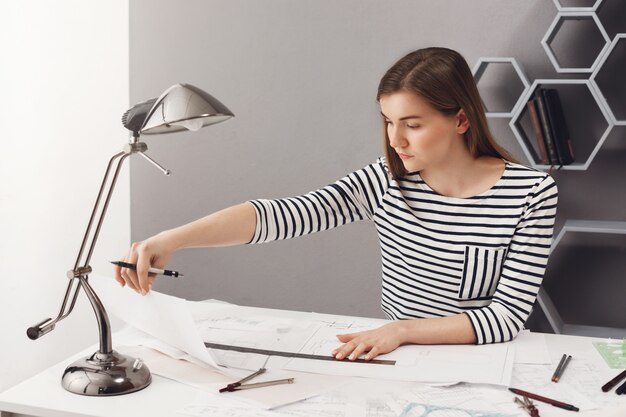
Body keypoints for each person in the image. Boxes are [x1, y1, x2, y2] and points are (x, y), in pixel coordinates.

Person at [115, 47, 558, 361]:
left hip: (483, 362)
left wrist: (400, 331)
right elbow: (283, 215)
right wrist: (172, 239)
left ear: (461, 119)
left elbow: (505, 318)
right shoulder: (385, 180)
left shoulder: (531, 193)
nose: (395, 139)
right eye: (388, 122)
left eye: (413, 124)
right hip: (397, 360)